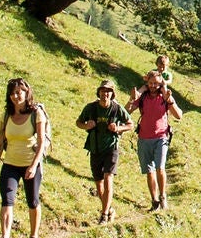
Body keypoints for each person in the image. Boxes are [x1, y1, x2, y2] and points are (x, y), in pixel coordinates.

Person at [0, 78, 49, 238]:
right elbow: (0, 142)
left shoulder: (36, 114)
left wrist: (33, 165)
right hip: (10, 164)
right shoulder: (6, 115)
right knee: (7, 200)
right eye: (13, 93)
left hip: (31, 163)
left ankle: (33, 237)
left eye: (20, 92)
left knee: (32, 200)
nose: (16, 96)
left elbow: (41, 140)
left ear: (26, 92)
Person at [129, 56, 179, 211]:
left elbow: (179, 115)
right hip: (144, 138)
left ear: (159, 84)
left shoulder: (165, 97)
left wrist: (169, 100)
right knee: (149, 171)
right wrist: (132, 99)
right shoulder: (142, 96)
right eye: (150, 83)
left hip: (161, 138)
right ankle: (154, 200)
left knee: (160, 168)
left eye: (155, 84)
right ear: (147, 83)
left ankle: (163, 196)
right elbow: (127, 111)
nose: (152, 86)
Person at [76, 81, 130, 224]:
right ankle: (109, 209)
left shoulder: (117, 108)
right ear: (98, 92)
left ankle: (104, 214)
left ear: (112, 93)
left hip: (111, 148)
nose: (105, 94)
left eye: (108, 91)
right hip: (95, 148)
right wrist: (87, 125)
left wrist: (118, 129)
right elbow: (78, 122)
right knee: (99, 184)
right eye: (103, 90)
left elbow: (130, 124)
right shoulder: (91, 108)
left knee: (108, 178)